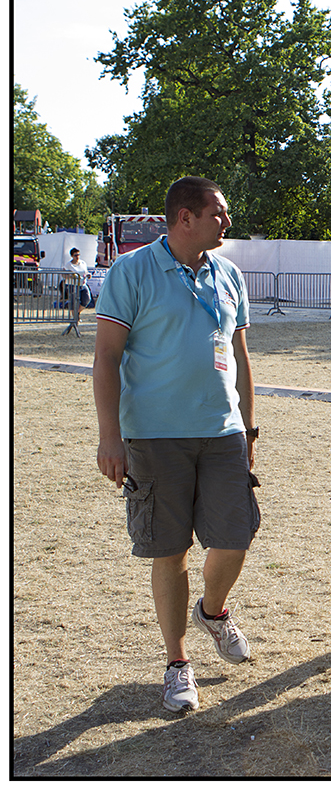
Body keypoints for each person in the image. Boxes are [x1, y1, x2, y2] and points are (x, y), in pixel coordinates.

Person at [93, 176, 258, 712]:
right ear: (185, 217)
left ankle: (213, 611)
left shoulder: (229, 274)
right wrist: (110, 436)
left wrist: (249, 427)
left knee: (235, 537)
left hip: (223, 432)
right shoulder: (131, 271)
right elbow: (106, 357)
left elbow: (240, 356)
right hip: (154, 435)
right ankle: (177, 664)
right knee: (170, 550)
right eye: (218, 213)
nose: (226, 221)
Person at [65, 248, 93, 323]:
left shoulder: (83, 263)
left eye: (78, 255)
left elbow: (85, 272)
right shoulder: (68, 265)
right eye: (75, 255)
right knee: (74, 301)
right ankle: (75, 318)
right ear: (72, 256)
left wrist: (88, 275)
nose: (77, 257)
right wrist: (70, 276)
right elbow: (64, 275)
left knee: (87, 299)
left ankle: (77, 313)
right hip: (72, 285)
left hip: (82, 284)